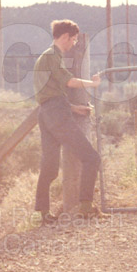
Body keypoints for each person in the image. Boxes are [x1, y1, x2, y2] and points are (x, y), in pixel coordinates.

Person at [33, 19, 103, 224]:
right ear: (64, 37)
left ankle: (44, 213)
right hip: (56, 114)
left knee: (50, 166)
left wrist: (72, 108)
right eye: (73, 39)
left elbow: (48, 95)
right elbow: (70, 82)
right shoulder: (53, 56)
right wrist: (94, 83)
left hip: (46, 114)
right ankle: (85, 208)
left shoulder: (44, 57)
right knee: (91, 158)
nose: (73, 43)